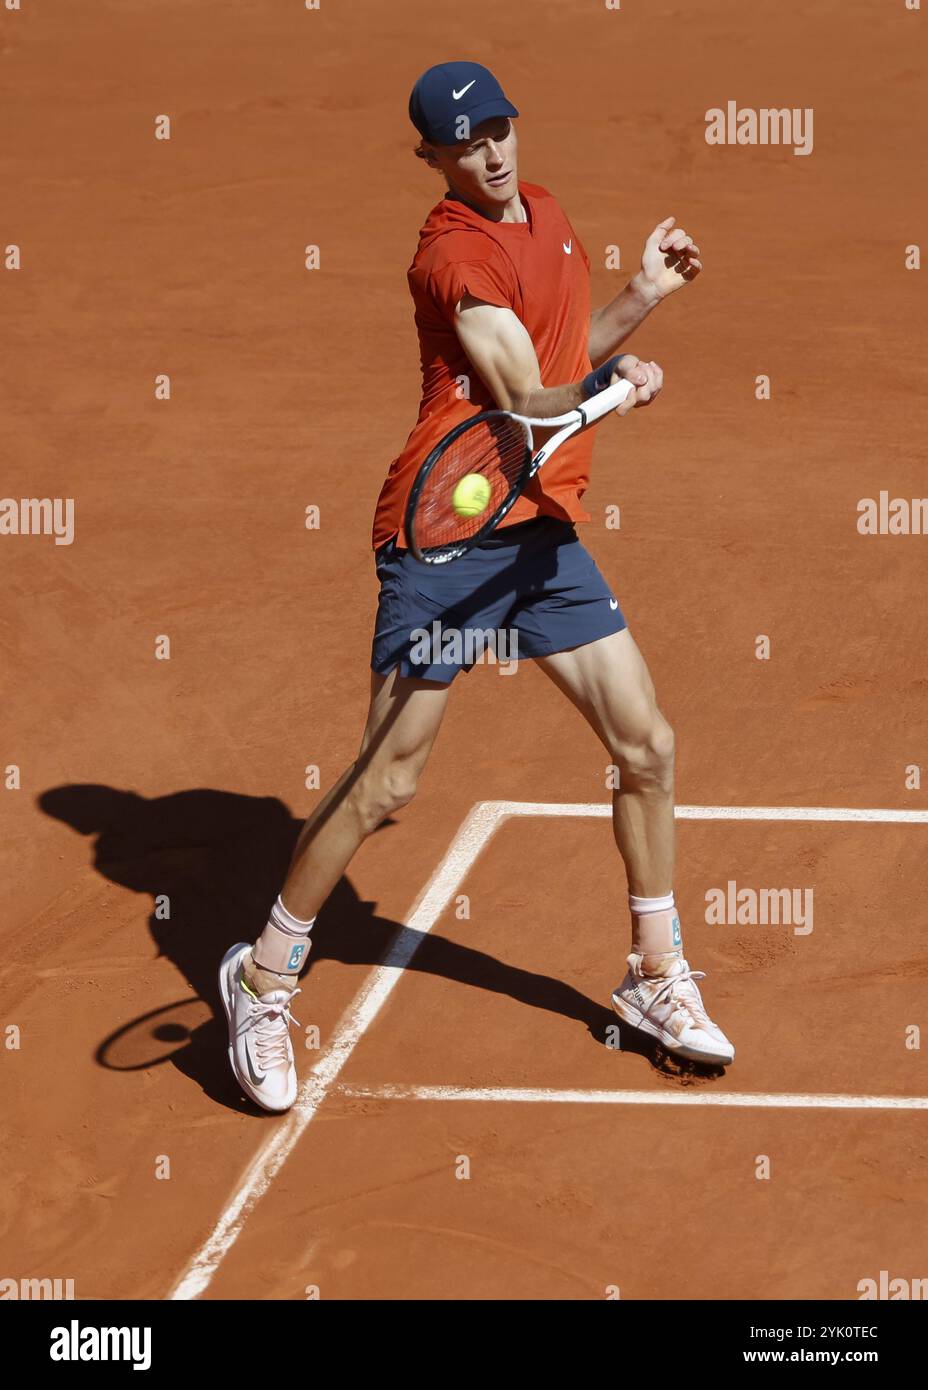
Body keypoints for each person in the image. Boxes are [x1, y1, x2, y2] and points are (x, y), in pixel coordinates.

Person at [220, 60, 734, 1113]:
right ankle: (263, 974)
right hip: (447, 540)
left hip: (539, 537)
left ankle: (650, 971)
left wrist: (641, 298)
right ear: (433, 160)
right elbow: (526, 396)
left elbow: (562, 362)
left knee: (646, 744)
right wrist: (606, 394)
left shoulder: (542, 213)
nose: (491, 153)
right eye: (465, 143)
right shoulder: (452, 258)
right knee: (389, 782)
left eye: (498, 128)